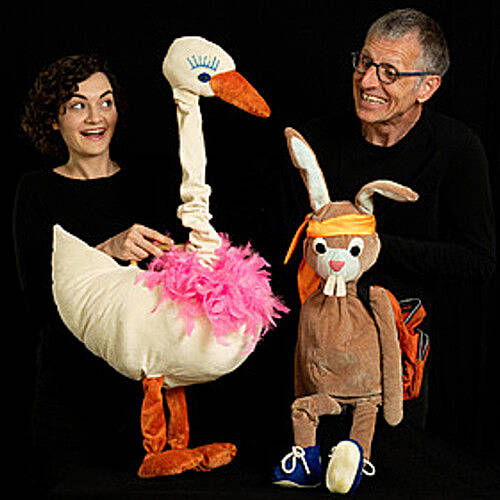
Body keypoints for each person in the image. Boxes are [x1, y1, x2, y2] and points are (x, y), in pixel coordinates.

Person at [275, 7, 495, 489]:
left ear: (427, 87)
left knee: (387, 476)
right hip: (316, 349)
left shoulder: (457, 149)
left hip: (401, 356)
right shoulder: (317, 139)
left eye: (390, 72)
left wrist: (369, 248)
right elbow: (282, 250)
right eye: (364, 62)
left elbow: (476, 260)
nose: (368, 81)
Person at [14, 54, 176, 491]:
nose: (96, 117)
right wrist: (106, 251)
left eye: (105, 102)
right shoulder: (36, 190)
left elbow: (169, 292)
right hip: (66, 401)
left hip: (140, 402)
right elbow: (37, 302)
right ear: (53, 120)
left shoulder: (149, 183)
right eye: (77, 105)